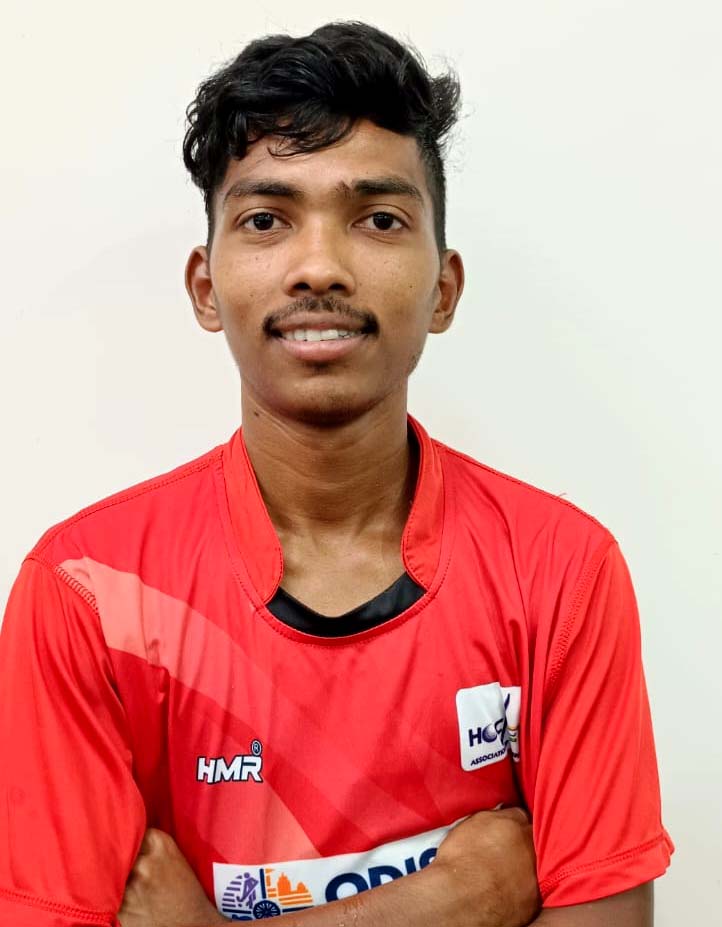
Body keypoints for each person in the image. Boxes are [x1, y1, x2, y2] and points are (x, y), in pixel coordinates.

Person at [0, 19, 673, 927]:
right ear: (205, 286)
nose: (319, 266)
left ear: (443, 288)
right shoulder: (86, 592)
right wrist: (453, 900)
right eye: (267, 220)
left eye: (379, 219)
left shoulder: (560, 570)